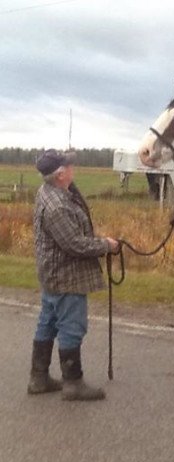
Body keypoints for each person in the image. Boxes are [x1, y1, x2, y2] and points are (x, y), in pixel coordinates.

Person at [28, 149, 119, 401]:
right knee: (72, 327)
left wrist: (70, 188)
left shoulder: (53, 192)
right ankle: (73, 383)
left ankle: (39, 378)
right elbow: (74, 244)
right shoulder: (57, 206)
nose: (72, 168)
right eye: (68, 166)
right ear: (59, 175)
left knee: (47, 323)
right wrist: (107, 246)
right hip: (66, 276)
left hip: (52, 274)